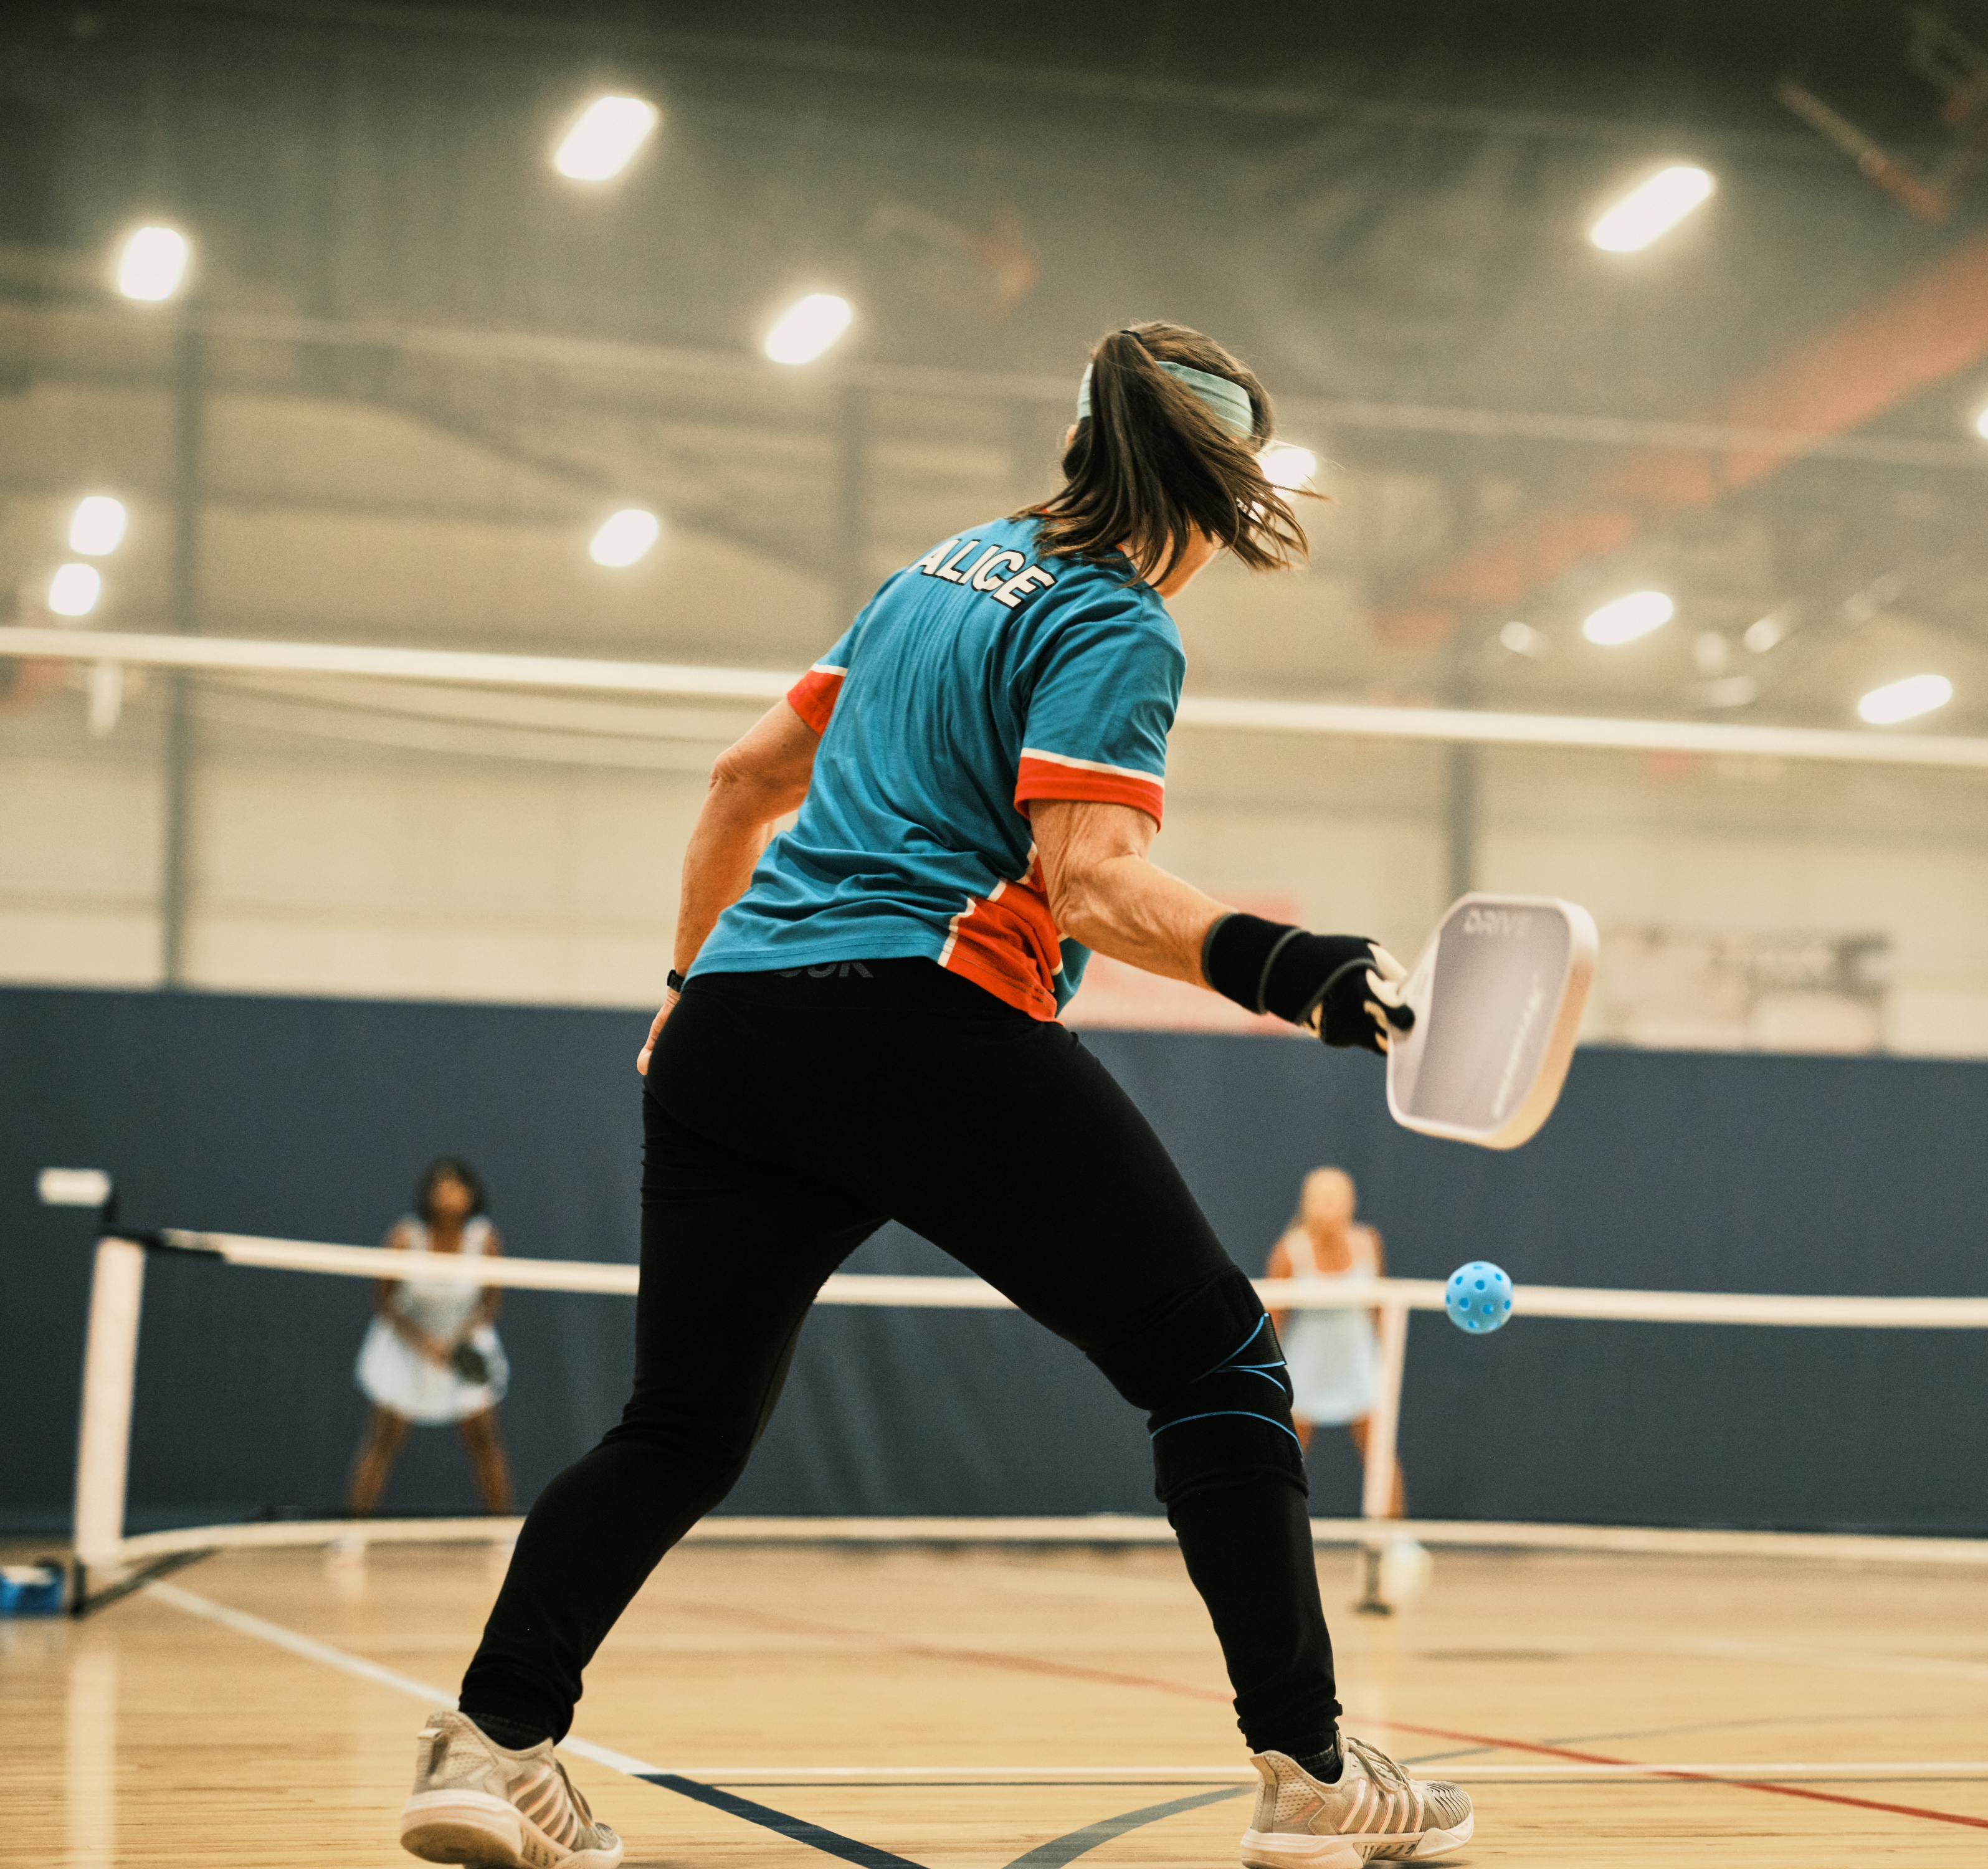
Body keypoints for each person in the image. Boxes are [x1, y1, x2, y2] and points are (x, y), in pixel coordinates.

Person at [394, 322, 1473, 1869]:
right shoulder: (1116, 621)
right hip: (921, 1018)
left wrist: (692, 987)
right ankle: (1308, 1769)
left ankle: (491, 1746)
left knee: (679, 1424)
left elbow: (738, 783)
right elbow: (1087, 882)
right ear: (1216, 497)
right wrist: (1292, 966)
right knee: (1220, 1362)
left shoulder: (932, 573)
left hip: (731, 1036)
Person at [346, 1157, 513, 1519]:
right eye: (441, 1185)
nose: (448, 1193)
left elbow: (489, 1303)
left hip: (464, 1345)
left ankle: (503, 1533)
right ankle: (351, 1533)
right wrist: (425, 1344)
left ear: (471, 1194)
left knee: (485, 1440)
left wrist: (456, 1343)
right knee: (383, 1441)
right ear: (429, 1193)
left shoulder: (484, 1239)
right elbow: (385, 1301)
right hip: (408, 1346)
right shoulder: (405, 1236)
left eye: (456, 1186)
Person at [1264, 1166, 1404, 1518]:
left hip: (1358, 1362)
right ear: (1306, 1204)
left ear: (1350, 1203)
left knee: (1380, 1453)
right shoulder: (1289, 1252)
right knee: (1286, 1453)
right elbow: (1273, 1319)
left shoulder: (1369, 1243)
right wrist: (1267, 1375)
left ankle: (1392, 1541)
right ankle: (1270, 1531)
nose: (1328, 1209)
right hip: (1306, 1364)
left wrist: (1386, 1361)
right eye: (1320, 1200)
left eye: (1335, 1200)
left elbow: (1380, 1310)